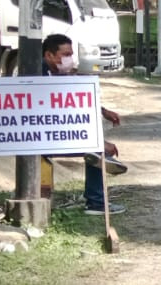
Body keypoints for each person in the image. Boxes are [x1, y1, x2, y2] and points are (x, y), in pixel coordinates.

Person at [41, 33, 126, 216]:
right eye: (65, 55)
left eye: (71, 55)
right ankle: (96, 203)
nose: (70, 60)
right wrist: (94, 141)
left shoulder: (56, 74)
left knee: (97, 147)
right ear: (49, 55)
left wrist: (103, 111)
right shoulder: (40, 75)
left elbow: (74, 100)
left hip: (50, 134)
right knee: (97, 149)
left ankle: (96, 199)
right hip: (42, 138)